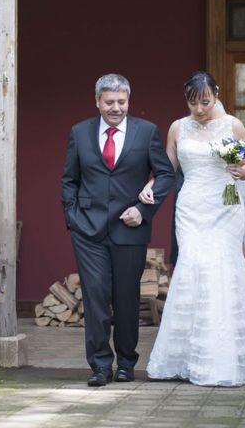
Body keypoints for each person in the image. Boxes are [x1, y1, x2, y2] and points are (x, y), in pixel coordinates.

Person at [142, 71, 245, 386]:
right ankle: (183, 356)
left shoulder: (231, 126)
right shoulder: (177, 127)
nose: (199, 109)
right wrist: (151, 185)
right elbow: (168, 165)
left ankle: (220, 359)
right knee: (192, 266)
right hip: (191, 206)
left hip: (225, 206)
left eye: (206, 101)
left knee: (221, 269)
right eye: (193, 102)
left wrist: (242, 171)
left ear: (216, 95)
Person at [61, 73, 175, 387]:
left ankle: (126, 363)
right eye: (109, 102)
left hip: (130, 229)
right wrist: (73, 219)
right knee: (95, 296)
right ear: (97, 101)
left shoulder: (147, 132)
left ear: (128, 101)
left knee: (126, 299)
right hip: (88, 230)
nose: (116, 108)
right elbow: (69, 180)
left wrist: (144, 209)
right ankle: (99, 366)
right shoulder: (80, 133)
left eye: (121, 102)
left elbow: (165, 175)